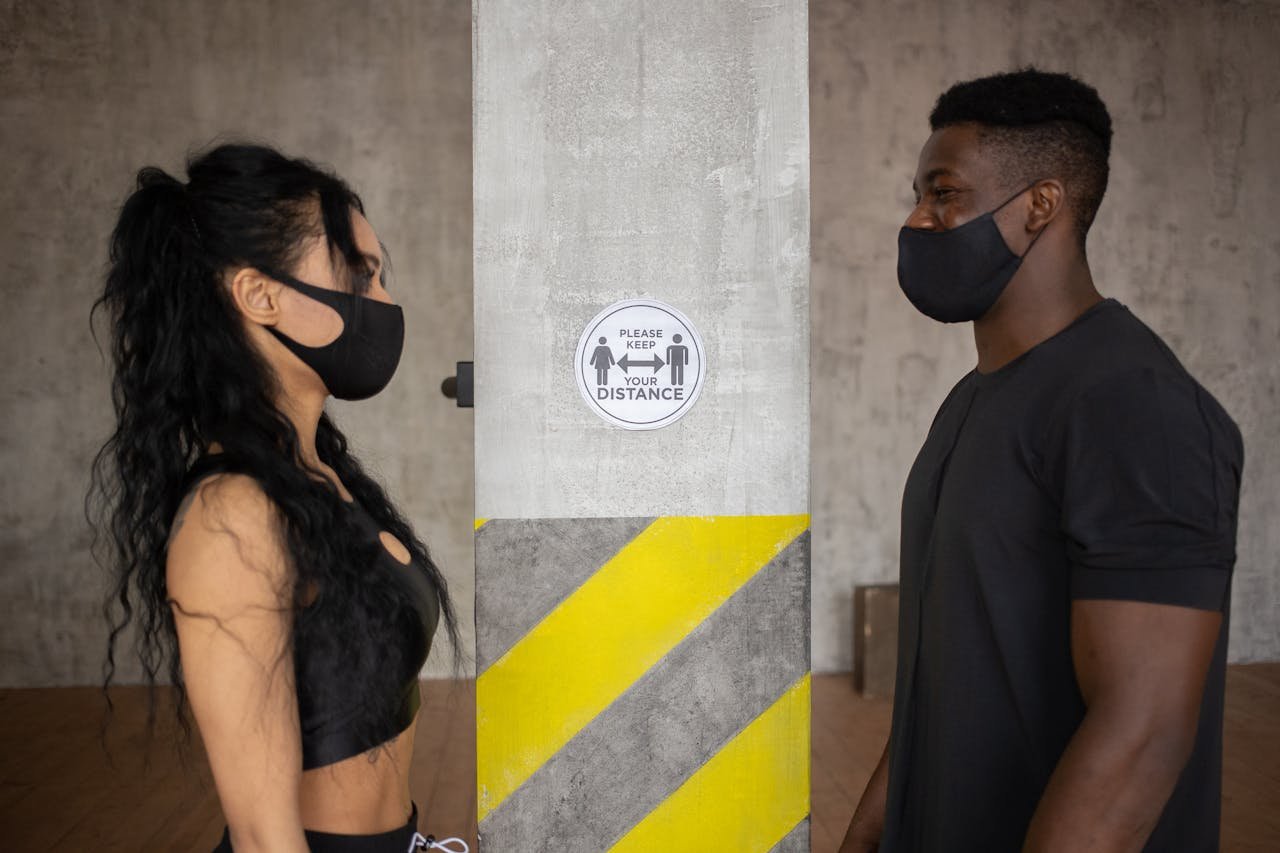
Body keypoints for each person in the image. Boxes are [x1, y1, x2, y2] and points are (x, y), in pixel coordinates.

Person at [840, 69, 1243, 852]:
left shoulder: (1135, 406)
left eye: (942, 193)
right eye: (918, 196)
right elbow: (944, 672)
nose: (918, 221)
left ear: (1040, 205)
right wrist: (866, 835)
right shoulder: (972, 400)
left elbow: (1141, 735)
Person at [90, 144, 469, 853]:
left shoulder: (320, 472)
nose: (382, 303)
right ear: (259, 296)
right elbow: (265, 834)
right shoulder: (232, 514)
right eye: (359, 274)